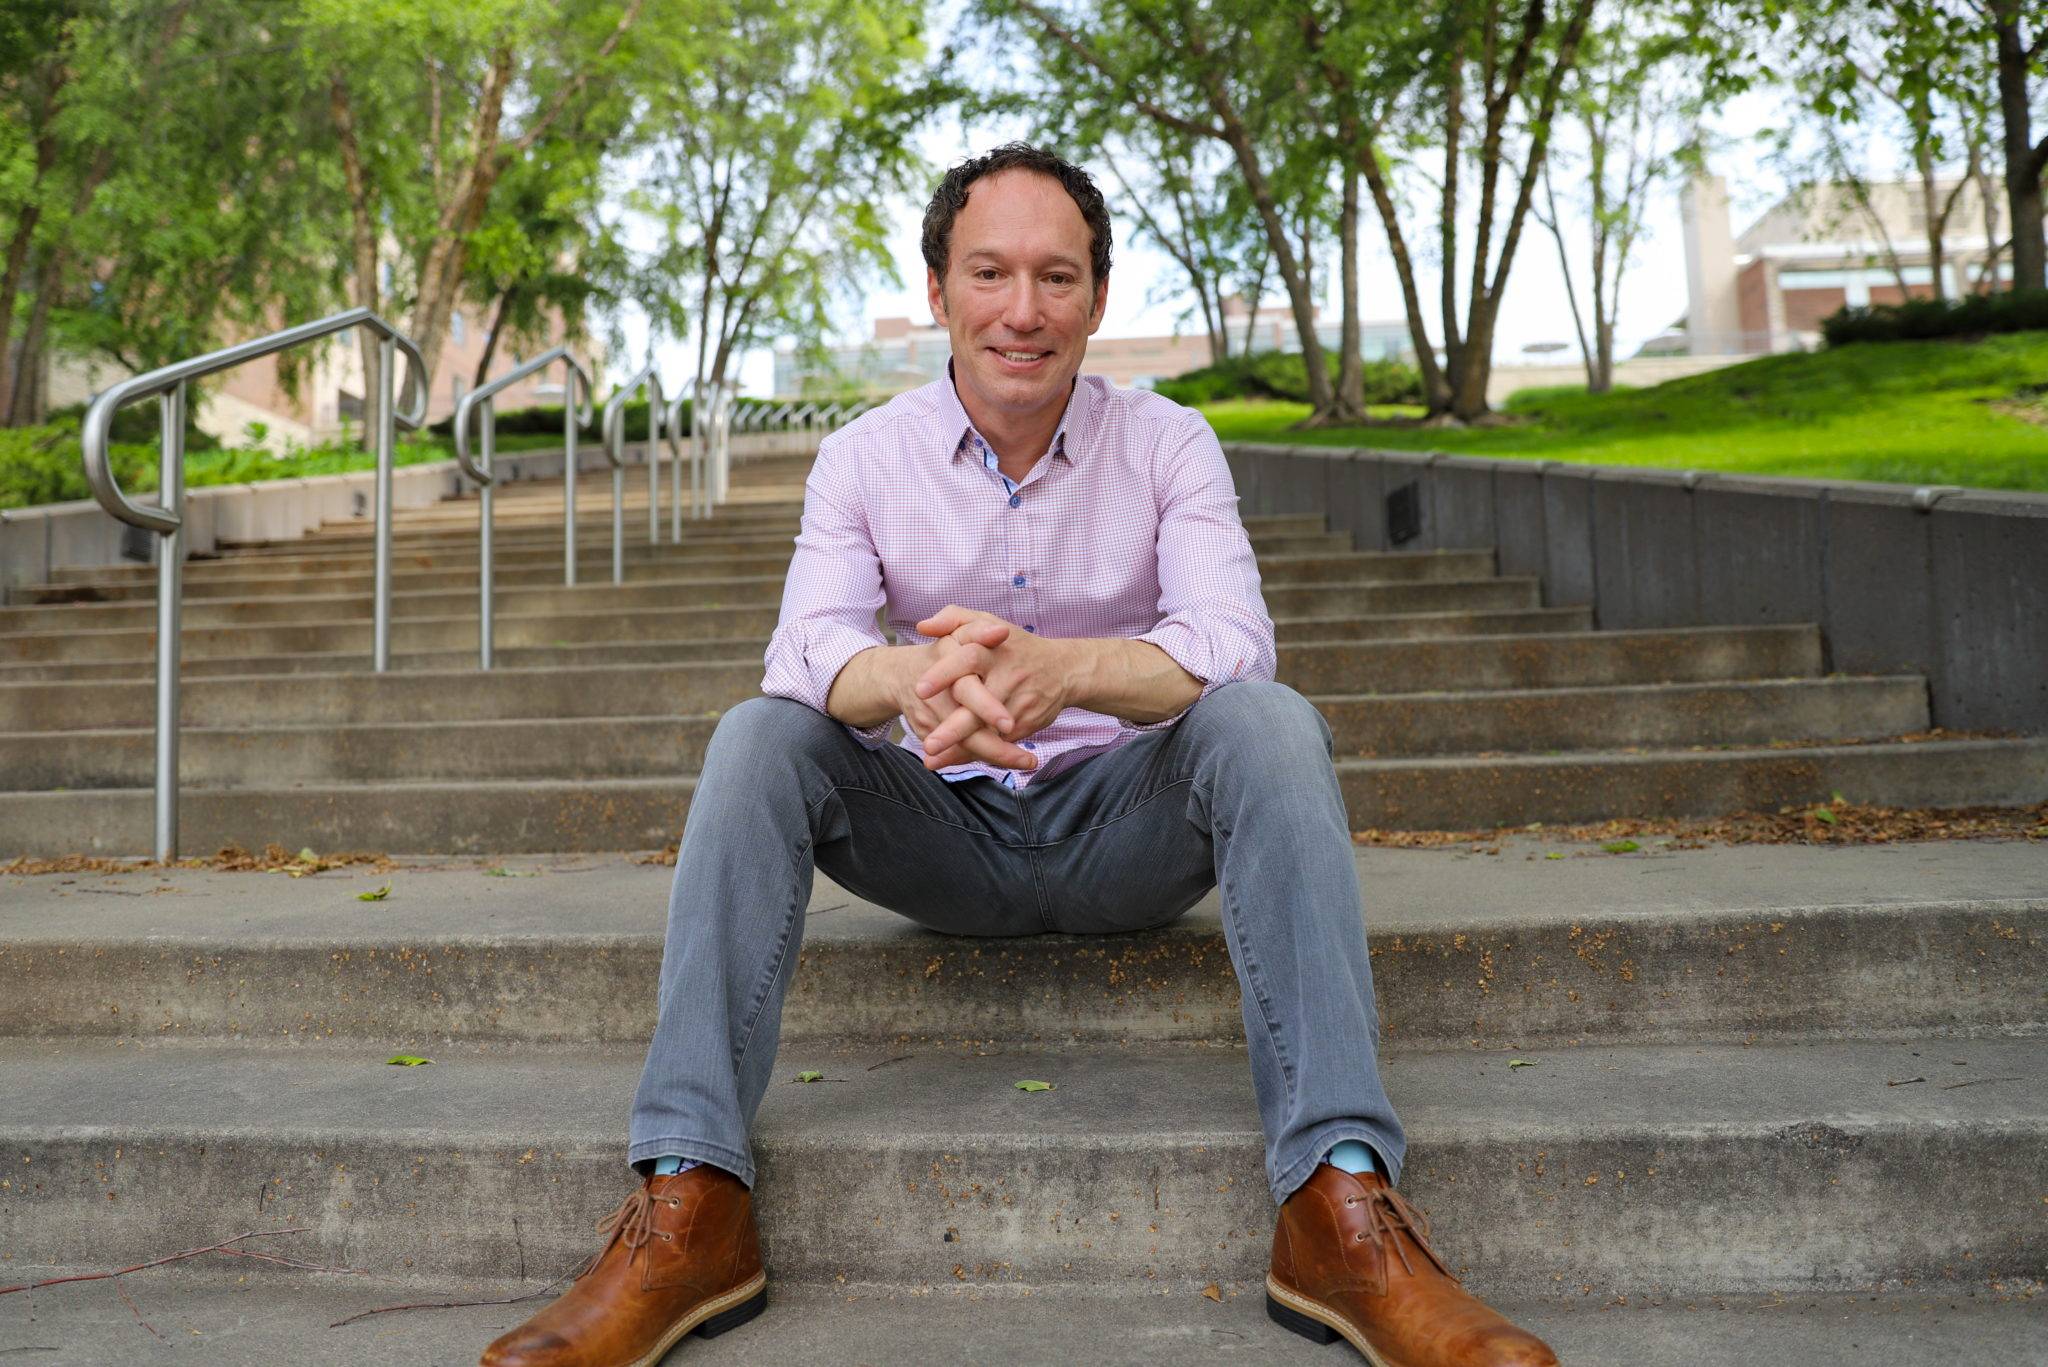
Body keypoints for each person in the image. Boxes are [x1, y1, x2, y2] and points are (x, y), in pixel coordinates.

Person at [481, 143, 1557, 1367]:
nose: (1022, 309)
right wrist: (915, 677)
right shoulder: (862, 457)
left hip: (1124, 829)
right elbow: (810, 649)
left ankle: (1338, 1207)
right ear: (937, 288)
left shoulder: (1167, 443)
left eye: (1057, 276)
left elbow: (1231, 639)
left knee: (1267, 721)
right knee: (759, 737)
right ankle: (688, 1207)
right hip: (937, 831)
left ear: (1098, 298)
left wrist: (1064, 667)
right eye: (988, 272)